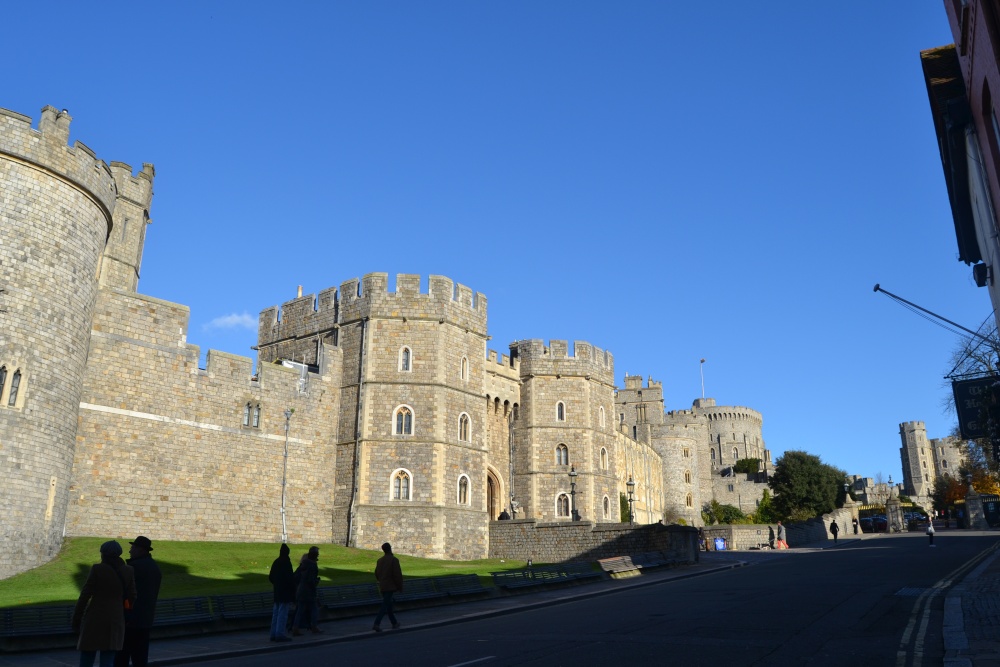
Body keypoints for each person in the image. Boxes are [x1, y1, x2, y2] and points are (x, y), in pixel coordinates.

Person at [72, 540, 137, 667]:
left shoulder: (98, 569)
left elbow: (85, 595)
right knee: (108, 660)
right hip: (116, 618)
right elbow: (132, 595)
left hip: (95, 617)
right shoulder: (128, 571)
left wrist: (77, 617)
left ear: (103, 554)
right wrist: (125, 610)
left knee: (87, 657)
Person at [114, 536, 161, 667]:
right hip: (145, 619)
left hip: (130, 619)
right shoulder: (154, 567)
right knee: (140, 657)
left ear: (141, 550)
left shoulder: (134, 568)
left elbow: (123, 593)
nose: (130, 550)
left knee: (121, 657)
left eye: (133, 547)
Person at [372, 542, 403, 632]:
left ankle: (394, 623)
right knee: (385, 605)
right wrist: (399, 586)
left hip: (383, 586)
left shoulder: (380, 560)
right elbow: (397, 575)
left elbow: (376, 573)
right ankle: (376, 623)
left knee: (388, 605)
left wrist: (381, 580)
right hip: (390, 586)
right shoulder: (394, 560)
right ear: (390, 548)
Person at [292, 546, 322, 635]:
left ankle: (295, 627)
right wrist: (315, 582)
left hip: (301, 590)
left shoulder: (304, 564)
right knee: (314, 609)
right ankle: (314, 626)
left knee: (300, 610)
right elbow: (310, 580)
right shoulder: (312, 565)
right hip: (308, 591)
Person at [268, 543, 295, 642]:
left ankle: (273, 633)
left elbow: (271, 577)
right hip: (285, 592)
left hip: (277, 591)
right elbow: (290, 578)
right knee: (283, 614)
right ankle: (280, 634)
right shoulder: (286, 562)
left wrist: (276, 584)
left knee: (276, 613)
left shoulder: (276, 561)